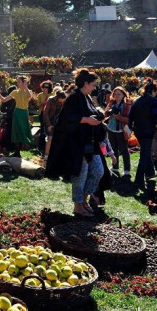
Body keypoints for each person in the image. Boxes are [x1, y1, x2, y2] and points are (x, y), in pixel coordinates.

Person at [46, 69, 105, 217]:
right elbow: (67, 118)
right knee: (80, 175)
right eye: (93, 84)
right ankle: (78, 206)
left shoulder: (88, 98)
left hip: (90, 143)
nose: (95, 87)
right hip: (78, 144)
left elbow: (90, 113)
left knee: (98, 170)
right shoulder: (73, 98)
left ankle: (83, 201)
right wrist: (86, 120)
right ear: (85, 84)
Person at [128, 80, 157, 192]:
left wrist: (130, 127)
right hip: (148, 130)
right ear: (153, 90)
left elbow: (130, 116)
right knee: (144, 155)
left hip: (138, 130)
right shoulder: (153, 101)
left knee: (146, 151)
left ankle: (150, 173)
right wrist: (156, 126)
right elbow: (156, 116)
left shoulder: (136, 101)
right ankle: (139, 179)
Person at [0, 75, 33, 158]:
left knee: (22, 131)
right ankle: (17, 152)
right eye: (17, 81)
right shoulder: (15, 92)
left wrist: (25, 86)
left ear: (24, 82)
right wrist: (0, 96)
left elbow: (29, 96)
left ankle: (18, 152)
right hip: (17, 113)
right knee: (17, 131)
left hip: (24, 113)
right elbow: (4, 100)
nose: (17, 83)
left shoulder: (28, 91)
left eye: (19, 81)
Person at [103, 86, 132, 177]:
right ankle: (115, 167)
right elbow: (105, 114)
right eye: (115, 94)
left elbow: (128, 119)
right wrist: (107, 112)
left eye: (119, 94)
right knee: (113, 149)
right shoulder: (112, 103)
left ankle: (127, 170)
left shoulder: (126, 105)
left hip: (121, 130)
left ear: (123, 94)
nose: (117, 96)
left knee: (124, 150)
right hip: (111, 129)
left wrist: (118, 116)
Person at [43, 87, 66, 163]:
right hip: (50, 120)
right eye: (61, 100)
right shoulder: (51, 100)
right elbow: (45, 113)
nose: (62, 101)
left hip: (57, 122)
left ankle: (55, 156)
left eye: (63, 100)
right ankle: (46, 156)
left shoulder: (63, 102)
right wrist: (49, 125)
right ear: (58, 97)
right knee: (50, 138)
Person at [0, 85, 17, 154]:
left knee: (8, 132)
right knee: (14, 132)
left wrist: (7, 110)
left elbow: (2, 109)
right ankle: (14, 146)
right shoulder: (17, 98)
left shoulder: (7, 99)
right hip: (16, 116)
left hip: (9, 116)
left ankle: (8, 146)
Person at [37, 81, 53, 154]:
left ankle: (49, 145)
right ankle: (41, 146)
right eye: (44, 87)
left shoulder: (52, 95)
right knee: (42, 129)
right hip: (42, 113)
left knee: (48, 129)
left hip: (49, 114)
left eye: (47, 87)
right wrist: (42, 103)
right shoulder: (40, 95)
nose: (45, 88)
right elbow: (37, 105)